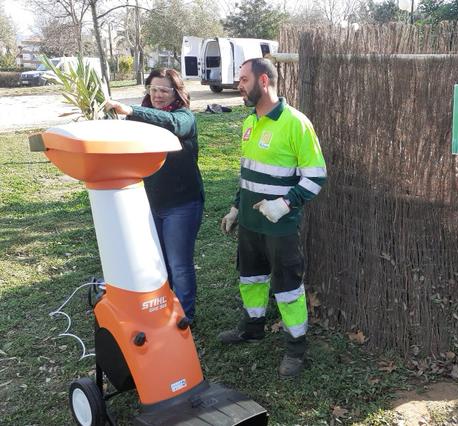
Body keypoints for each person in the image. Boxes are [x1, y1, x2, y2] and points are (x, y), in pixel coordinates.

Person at [219, 58, 327, 377]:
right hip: (251, 225)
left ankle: (296, 350)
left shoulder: (296, 123)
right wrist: (237, 208)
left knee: (287, 287)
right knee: (250, 278)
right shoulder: (249, 121)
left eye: (244, 79)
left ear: (263, 81)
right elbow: (247, 173)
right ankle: (252, 327)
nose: (239, 85)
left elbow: (316, 176)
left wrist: (284, 204)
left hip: (280, 227)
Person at [105, 68, 204, 324]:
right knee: (157, 264)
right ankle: (164, 310)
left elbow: (171, 124)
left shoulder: (184, 118)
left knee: (179, 265)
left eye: (164, 90)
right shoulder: (140, 120)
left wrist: (130, 111)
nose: (158, 95)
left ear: (176, 93)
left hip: (182, 205)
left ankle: (185, 317)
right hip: (150, 205)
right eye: (154, 89)